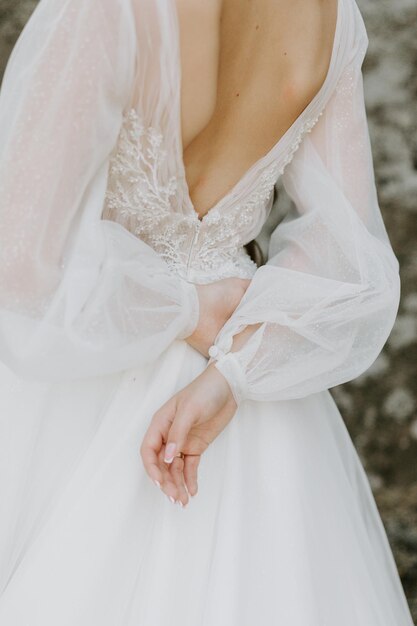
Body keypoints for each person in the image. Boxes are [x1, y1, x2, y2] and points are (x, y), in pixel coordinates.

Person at [0, 0, 413, 624]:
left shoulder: (106, 10)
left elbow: (18, 260)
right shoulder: (330, 15)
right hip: (234, 380)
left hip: (87, 369)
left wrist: (185, 307)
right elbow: (348, 263)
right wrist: (233, 373)